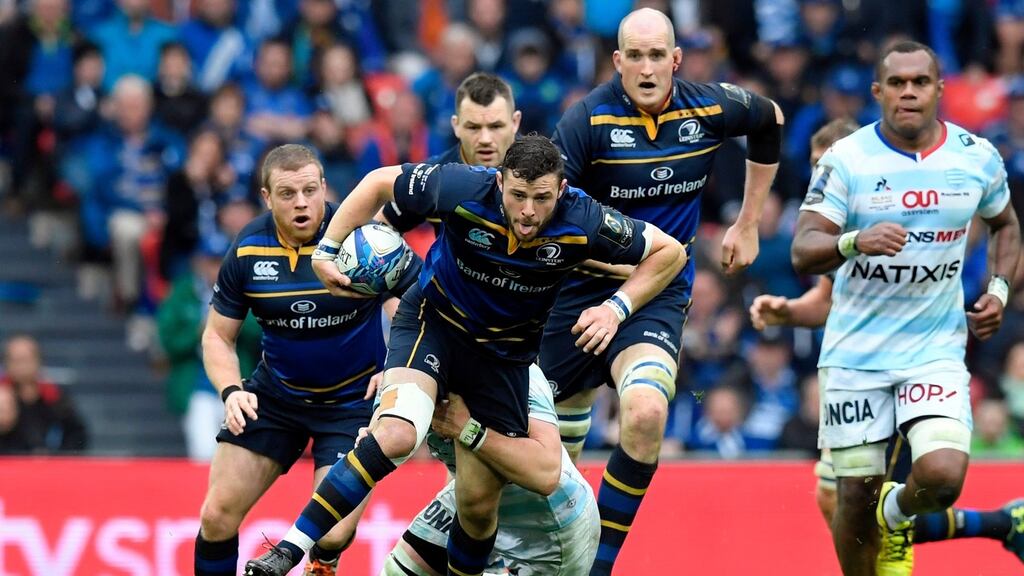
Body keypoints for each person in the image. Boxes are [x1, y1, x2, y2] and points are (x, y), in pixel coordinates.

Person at [244, 135, 686, 575]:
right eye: (517, 195)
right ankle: (289, 548)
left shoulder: (585, 219)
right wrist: (326, 250)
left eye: (541, 198)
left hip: (503, 357)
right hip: (433, 324)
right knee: (397, 435)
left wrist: (616, 308)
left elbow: (670, 252)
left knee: (475, 507)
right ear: (499, 183)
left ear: (562, 189)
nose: (528, 211)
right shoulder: (460, 187)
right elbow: (380, 182)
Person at [537, 8, 784, 573]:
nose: (647, 68)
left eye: (658, 56)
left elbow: (769, 119)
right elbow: (549, 216)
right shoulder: (584, 121)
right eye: (635, 56)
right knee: (543, 460)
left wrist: (747, 222)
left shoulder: (709, 106)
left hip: (657, 296)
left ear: (676, 59)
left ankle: (597, 567)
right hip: (577, 292)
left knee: (646, 412)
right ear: (617, 61)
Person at [790, 41, 1022, 575]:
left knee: (941, 476)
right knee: (850, 500)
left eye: (921, 82)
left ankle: (894, 516)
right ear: (879, 92)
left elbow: (1006, 223)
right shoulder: (847, 160)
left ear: (940, 89)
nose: (909, 92)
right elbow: (805, 247)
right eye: (897, 83)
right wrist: (855, 241)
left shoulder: (976, 156)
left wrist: (1000, 291)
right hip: (855, 355)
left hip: (933, 348)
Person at [194, 144, 421, 576]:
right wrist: (231, 391)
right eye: (287, 193)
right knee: (216, 515)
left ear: (323, 187)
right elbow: (217, 338)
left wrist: (394, 367)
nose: (301, 202)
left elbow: (412, 314)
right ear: (266, 197)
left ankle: (324, 562)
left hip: (352, 402)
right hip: (275, 397)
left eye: (309, 190)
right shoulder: (246, 251)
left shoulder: (362, 239)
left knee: (331, 533)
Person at [380, 364, 599, 576]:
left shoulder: (519, 372)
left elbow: (546, 475)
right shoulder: (414, 370)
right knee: (398, 571)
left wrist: (468, 431)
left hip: (549, 526)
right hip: (479, 501)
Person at [0, 335, 88, 453]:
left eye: (25, 359)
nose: (21, 366)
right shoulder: (4, 395)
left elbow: (76, 434)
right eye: (15, 360)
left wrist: (57, 457)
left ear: (38, 361)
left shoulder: (53, 395)